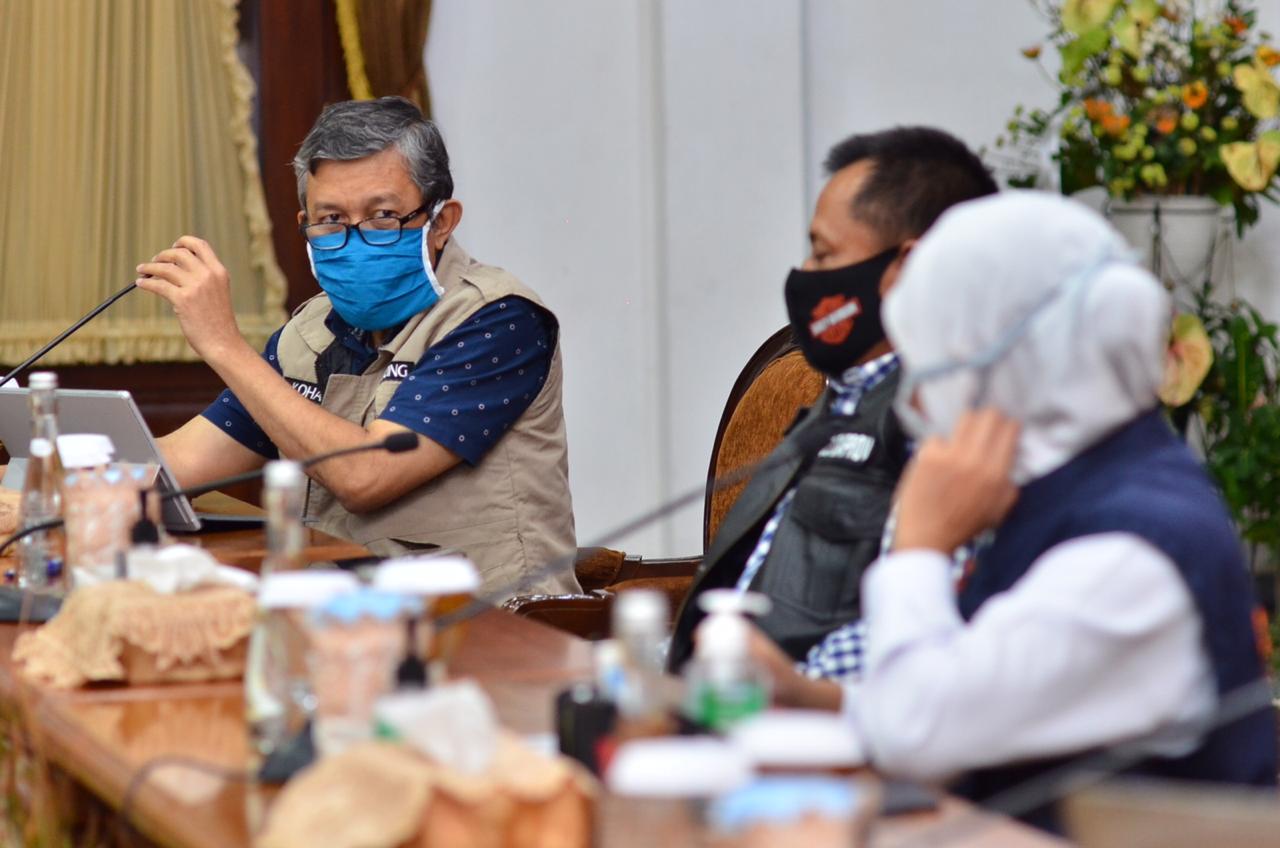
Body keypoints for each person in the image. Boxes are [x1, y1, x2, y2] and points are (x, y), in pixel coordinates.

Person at [734, 191, 1277, 829]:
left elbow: (921, 734)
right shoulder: (1074, 485)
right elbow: (983, 695)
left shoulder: (1131, 550)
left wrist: (919, 547)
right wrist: (809, 699)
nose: (918, 395)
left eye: (936, 361)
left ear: (1015, 365)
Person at [143, 97, 578, 598]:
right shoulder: (308, 333)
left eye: (382, 217)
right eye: (330, 220)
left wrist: (224, 345)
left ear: (441, 222)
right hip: (349, 623)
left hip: (492, 627)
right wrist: (50, 482)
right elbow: (179, 464)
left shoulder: (498, 319)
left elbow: (365, 475)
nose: (354, 241)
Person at [667, 127, 997, 672]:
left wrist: (765, 689)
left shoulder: (945, 421)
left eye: (824, 254)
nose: (805, 277)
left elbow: (910, 647)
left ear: (907, 268)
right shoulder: (845, 395)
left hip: (800, 730)